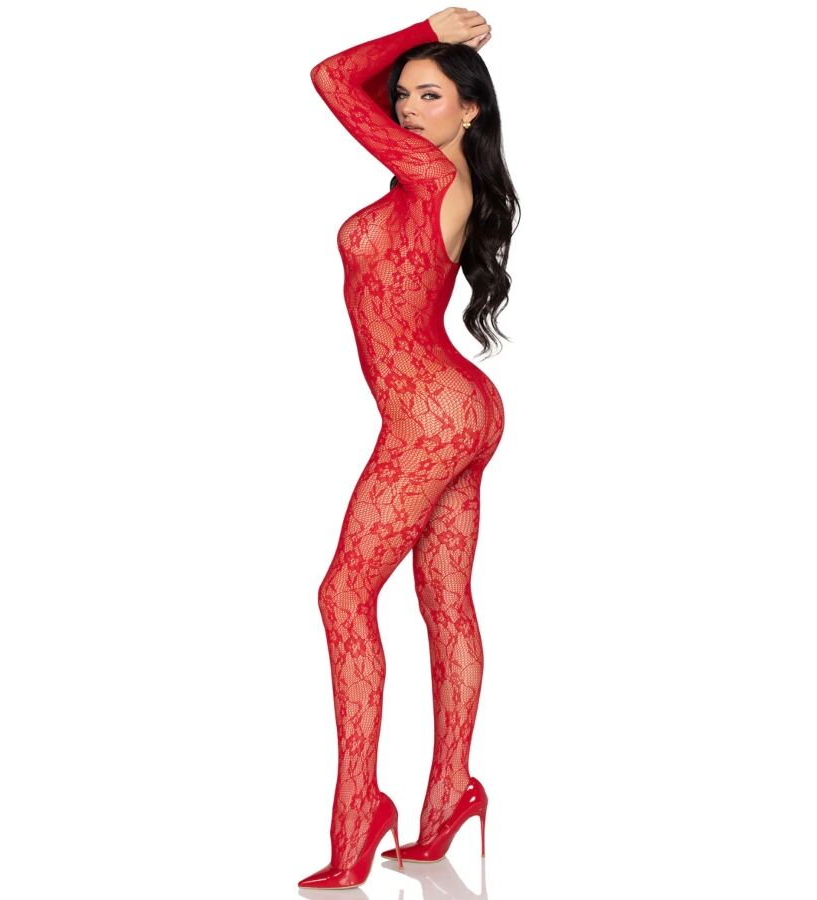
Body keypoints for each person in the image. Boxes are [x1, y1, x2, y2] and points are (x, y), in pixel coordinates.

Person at [299, 8, 519, 890]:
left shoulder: (432, 173)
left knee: (342, 595)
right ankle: (449, 796)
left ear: (471, 109)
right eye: (403, 97)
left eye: (431, 95)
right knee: (445, 604)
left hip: (432, 415)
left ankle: (358, 812)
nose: (408, 108)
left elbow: (329, 77)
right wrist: (423, 50)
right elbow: (350, 86)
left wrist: (429, 26)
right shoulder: (422, 182)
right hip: (457, 409)